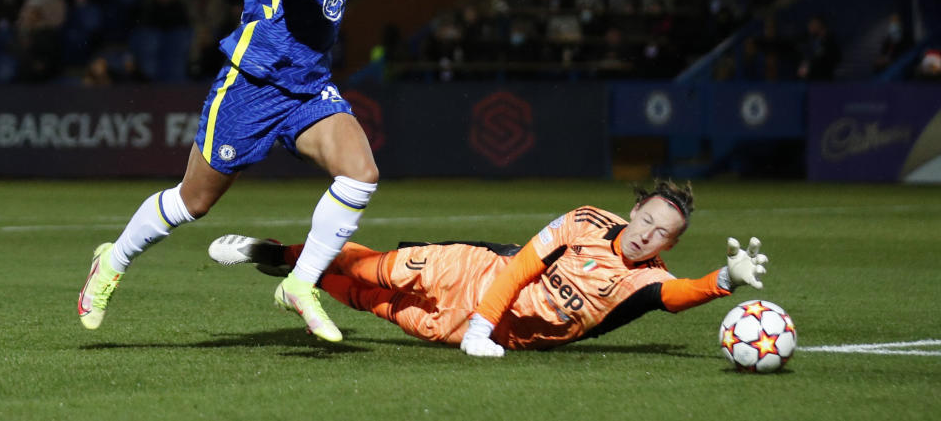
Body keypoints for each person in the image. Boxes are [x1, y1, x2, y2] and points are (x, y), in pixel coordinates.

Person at [78, 0, 423, 342]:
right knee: (192, 203)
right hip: (254, 83)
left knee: (360, 173)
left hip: (306, 84)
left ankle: (300, 285)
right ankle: (111, 261)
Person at [207, 182, 768, 356]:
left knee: (365, 302)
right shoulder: (586, 220)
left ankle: (290, 271)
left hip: (493, 331)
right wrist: (479, 325)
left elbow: (677, 296)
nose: (648, 234)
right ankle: (278, 255)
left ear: (670, 243)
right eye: (646, 218)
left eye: (662, 233)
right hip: (471, 274)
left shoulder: (648, 281)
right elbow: (521, 266)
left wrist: (723, 281)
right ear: (635, 209)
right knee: (376, 270)